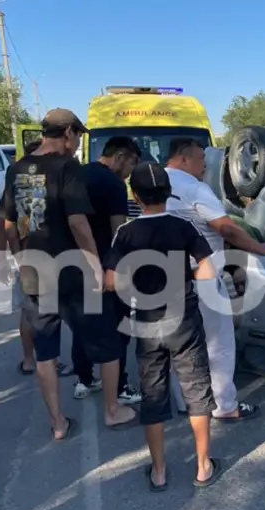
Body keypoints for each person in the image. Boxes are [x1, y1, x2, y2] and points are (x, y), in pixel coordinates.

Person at [0, 108, 137, 440]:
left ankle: (58, 423)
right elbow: (78, 223)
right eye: (78, 137)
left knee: (46, 350)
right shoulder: (67, 168)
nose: (77, 145)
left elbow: (7, 223)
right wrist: (95, 264)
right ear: (68, 133)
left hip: (35, 271)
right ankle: (112, 410)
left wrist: (16, 258)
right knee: (107, 341)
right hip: (72, 273)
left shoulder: (17, 169)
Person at [104, 162, 222, 489]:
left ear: (134, 195)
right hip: (183, 319)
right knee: (197, 389)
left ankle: (158, 472)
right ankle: (203, 467)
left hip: (145, 322)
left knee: (153, 395)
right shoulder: (182, 226)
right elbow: (208, 270)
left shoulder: (125, 233)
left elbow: (111, 281)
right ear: (168, 193)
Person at [165, 138, 265, 422]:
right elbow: (227, 229)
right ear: (184, 159)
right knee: (218, 343)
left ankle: (183, 402)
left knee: (179, 344)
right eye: (201, 158)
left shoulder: (153, 185)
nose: (205, 165)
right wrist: (261, 248)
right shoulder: (194, 188)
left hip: (165, 278)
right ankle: (225, 406)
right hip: (201, 278)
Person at [70, 136, 142, 404]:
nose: (131, 172)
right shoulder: (113, 184)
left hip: (77, 262)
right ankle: (121, 386)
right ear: (120, 157)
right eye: (132, 163)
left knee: (84, 323)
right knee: (118, 327)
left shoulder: (78, 174)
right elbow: (118, 231)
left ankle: (84, 379)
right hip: (106, 265)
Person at [0, 139, 74, 377]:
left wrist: (5, 258)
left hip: (24, 255)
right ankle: (49, 360)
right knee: (47, 311)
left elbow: (3, 224)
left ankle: (31, 359)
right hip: (40, 256)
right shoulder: (46, 184)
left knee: (29, 310)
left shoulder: (16, 184)